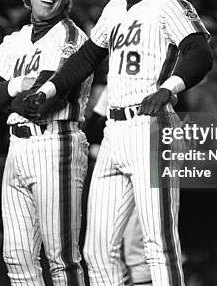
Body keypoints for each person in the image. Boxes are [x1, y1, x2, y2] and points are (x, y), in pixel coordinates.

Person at [26, 0, 213, 286]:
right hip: (114, 130)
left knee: (158, 244)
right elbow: (86, 58)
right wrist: (48, 92)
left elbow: (200, 52)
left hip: (150, 125)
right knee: (97, 250)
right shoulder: (115, 5)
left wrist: (170, 87)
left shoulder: (167, 4)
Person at [0, 0, 92, 285]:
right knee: (17, 259)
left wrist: (8, 94)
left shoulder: (71, 38)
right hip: (18, 148)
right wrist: (17, 85)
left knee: (61, 258)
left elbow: (37, 103)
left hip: (55, 143)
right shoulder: (14, 40)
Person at [83, 86, 152, 286]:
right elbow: (92, 128)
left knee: (137, 248)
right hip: (116, 169)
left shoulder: (155, 74)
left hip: (146, 154)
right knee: (107, 248)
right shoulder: (113, 84)